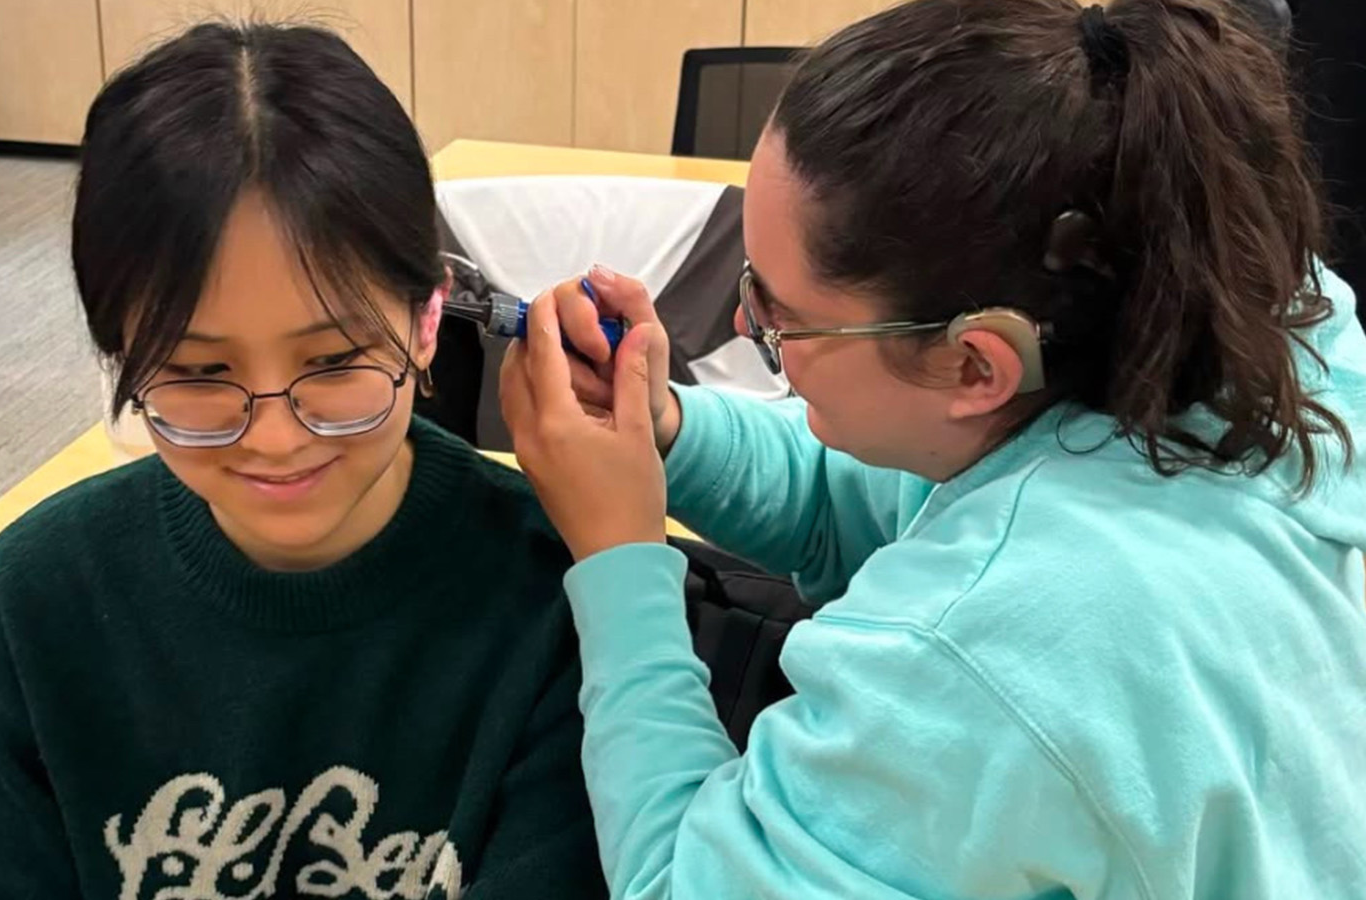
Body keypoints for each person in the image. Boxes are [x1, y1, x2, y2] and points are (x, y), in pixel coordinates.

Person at [501, 0, 1366, 897]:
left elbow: (681, 884)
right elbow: (904, 494)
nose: (739, 320)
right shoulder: (1252, 329)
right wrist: (669, 428)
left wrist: (619, 556)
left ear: (976, 363)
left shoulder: (984, 655)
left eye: (778, 317)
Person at [0, 22, 604, 900]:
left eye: (334, 363)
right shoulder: (36, 603)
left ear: (424, 321)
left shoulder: (554, 599)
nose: (275, 438)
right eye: (196, 373)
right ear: (123, 355)